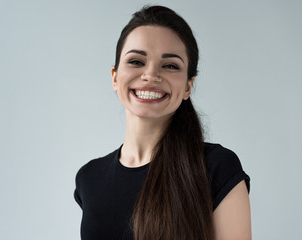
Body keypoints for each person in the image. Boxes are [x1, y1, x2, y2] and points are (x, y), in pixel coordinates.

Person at [74, 5, 251, 240]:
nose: (151, 75)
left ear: (188, 86)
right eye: (136, 61)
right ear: (115, 77)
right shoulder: (90, 178)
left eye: (170, 66)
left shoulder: (217, 168)